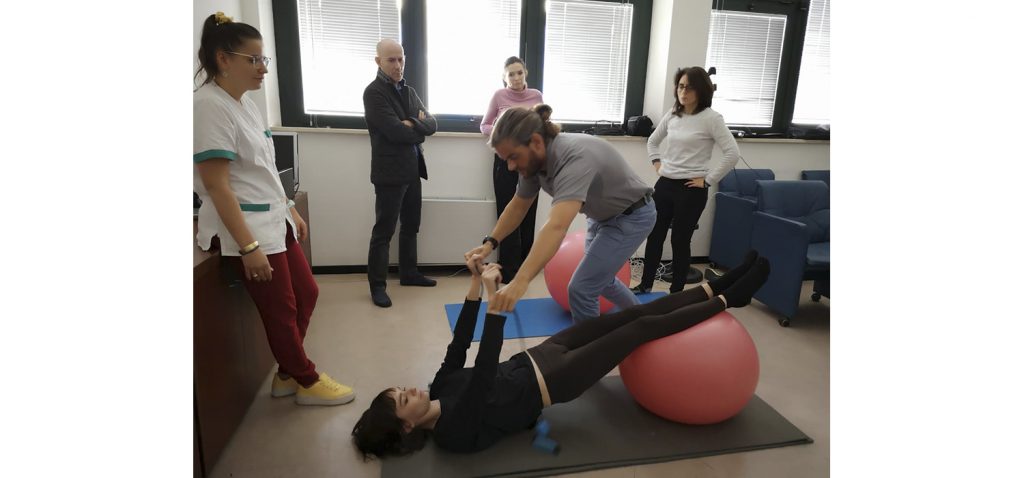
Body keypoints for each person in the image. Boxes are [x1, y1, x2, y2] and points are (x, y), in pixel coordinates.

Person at [351, 250, 770, 457]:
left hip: (542, 354)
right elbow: (480, 378)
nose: (411, 389)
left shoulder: (438, 386)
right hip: (556, 381)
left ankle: (720, 284)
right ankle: (729, 299)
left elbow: (460, 345)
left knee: (632, 315)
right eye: (405, 399)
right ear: (407, 428)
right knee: (640, 330)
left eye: (402, 389)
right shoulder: (450, 434)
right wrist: (498, 305)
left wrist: (476, 285)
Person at [193, 12, 354, 406]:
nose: (262, 68)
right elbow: (217, 185)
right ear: (223, 59)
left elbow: (264, 167)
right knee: (280, 309)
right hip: (245, 227)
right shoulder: (207, 106)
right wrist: (248, 248)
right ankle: (306, 379)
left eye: (264, 60)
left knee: (307, 293)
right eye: (254, 60)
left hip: (272, 217)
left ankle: (286, 373)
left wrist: (290, 209)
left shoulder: (244, 103)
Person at [464, 104, 655, 322]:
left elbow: (557, 226)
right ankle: (643, 320)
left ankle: (589, 353)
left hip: (632, 216)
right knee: (602, 279)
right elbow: (518, 206)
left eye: (513, 157)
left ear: (536, 141)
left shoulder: (573, 156)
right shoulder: (532, 161)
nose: (510, 166)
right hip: (601, 217)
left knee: (582, 289)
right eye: (506, 159)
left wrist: (520, 281)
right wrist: (489, 243)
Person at [632, 66, 740, 294]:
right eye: (681, 86)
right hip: (665, 185)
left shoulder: (712, 119)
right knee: (654, 237)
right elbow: (652, 141)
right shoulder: (672, 114)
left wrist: (708, 180)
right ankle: (645, 285)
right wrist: (658, 164)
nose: (684, 92)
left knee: (680, 242)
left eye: (690, 87)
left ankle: (676, 292)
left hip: (691, 189)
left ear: (701, 90)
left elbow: (732, 153)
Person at [364, 39, 439, 308]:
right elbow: (395, 131)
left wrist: (413, 123)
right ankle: (377, 286)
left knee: (411, 226)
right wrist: (412, 127)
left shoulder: (409, 91)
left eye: (401, 59)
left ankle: (409, 273)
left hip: (412, 169)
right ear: (378, 62)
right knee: (384, 231)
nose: (398, 65)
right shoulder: (373, 93)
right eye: (391, 60)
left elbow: (432, 124)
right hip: (389, 173)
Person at [480, 56, 543, 282]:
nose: (516, 78)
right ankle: (508, 269)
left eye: (519, 73)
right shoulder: (499, 96)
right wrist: (502, 133)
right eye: (511, 74)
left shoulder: (536, 96)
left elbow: (542, 126)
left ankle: (526, 267)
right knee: (507, 211)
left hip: (530, 161)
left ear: (525, 73)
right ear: (504, 77)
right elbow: (484, 125)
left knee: (528, 211)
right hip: (505, 160)